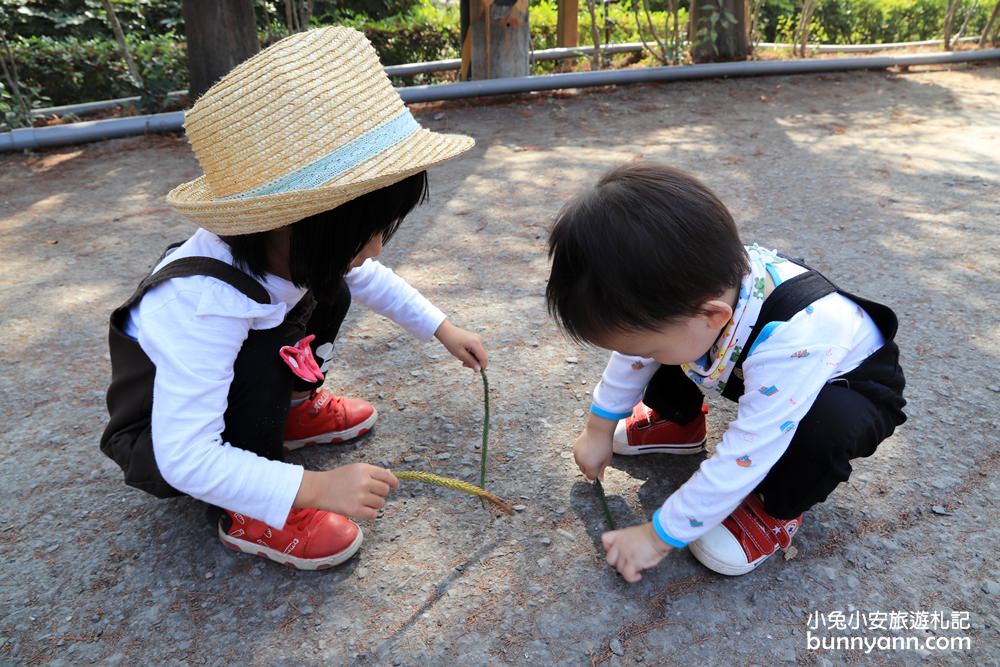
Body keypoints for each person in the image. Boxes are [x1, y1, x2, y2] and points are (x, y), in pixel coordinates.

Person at [100, 27, 486, 571]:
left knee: (334, 288)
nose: (375, 247)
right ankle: (255, 508)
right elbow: (184, 457)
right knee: (263, 350)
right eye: (367, 232)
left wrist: (442, 328)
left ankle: (292, 409)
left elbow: (370, 277)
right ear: (300, 223)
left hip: (230, 392)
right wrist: (315, 488)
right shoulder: (207, 302)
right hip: (162, 440)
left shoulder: (288, 249)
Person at [546, 163, 906, 580]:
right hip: (744, 360)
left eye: (642, 347)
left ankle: (775, 510)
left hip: (845, 386)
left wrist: (658, 535)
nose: (636, 356)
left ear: (714, 315)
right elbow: (637, 352)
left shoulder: (795, 340)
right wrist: (599, 427)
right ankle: (677, 423)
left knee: (824, 428)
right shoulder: (691, 295)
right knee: (671, 348)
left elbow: (746, 452)